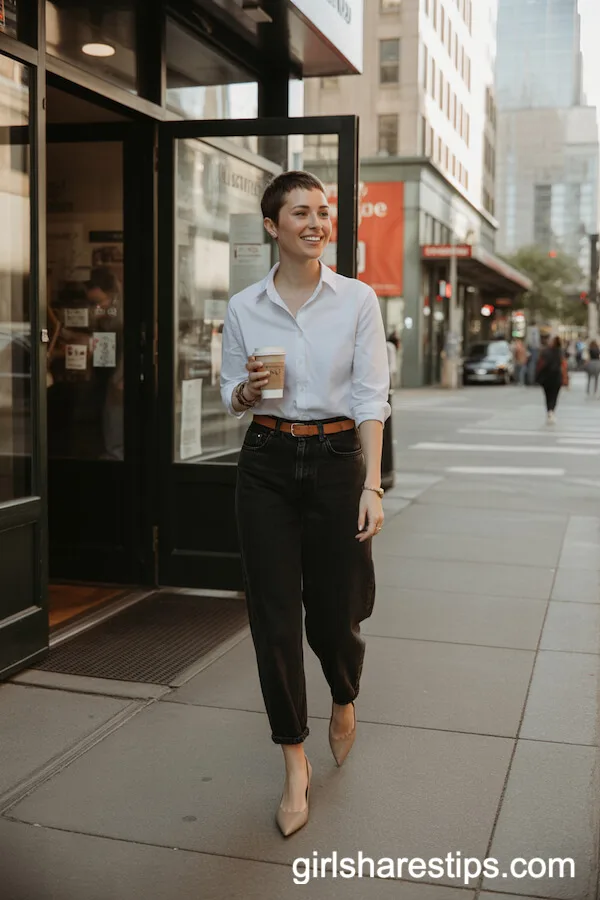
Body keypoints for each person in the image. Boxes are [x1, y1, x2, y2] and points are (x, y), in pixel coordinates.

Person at [220, 171, 390, 838]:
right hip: (265, 460)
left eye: (323, 212)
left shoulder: (356, 300)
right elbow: (232, 388)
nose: (317, 222)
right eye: (301, 212)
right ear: (273, 226)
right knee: (272, 618)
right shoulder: (244, 306)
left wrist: (372, 484)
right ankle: (293, 759)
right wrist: (245, 392)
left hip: (337, 462)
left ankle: (344, 693)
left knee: (336, 614)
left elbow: (372, 396)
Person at [536, 335, 567, 423]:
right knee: (554, 396)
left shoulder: (545, 351)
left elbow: (540, 364)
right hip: (556, 377)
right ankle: (551, 411)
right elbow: (563, 365)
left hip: (546, 377)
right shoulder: (560, 352)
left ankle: (549, 410)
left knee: (547, 396)